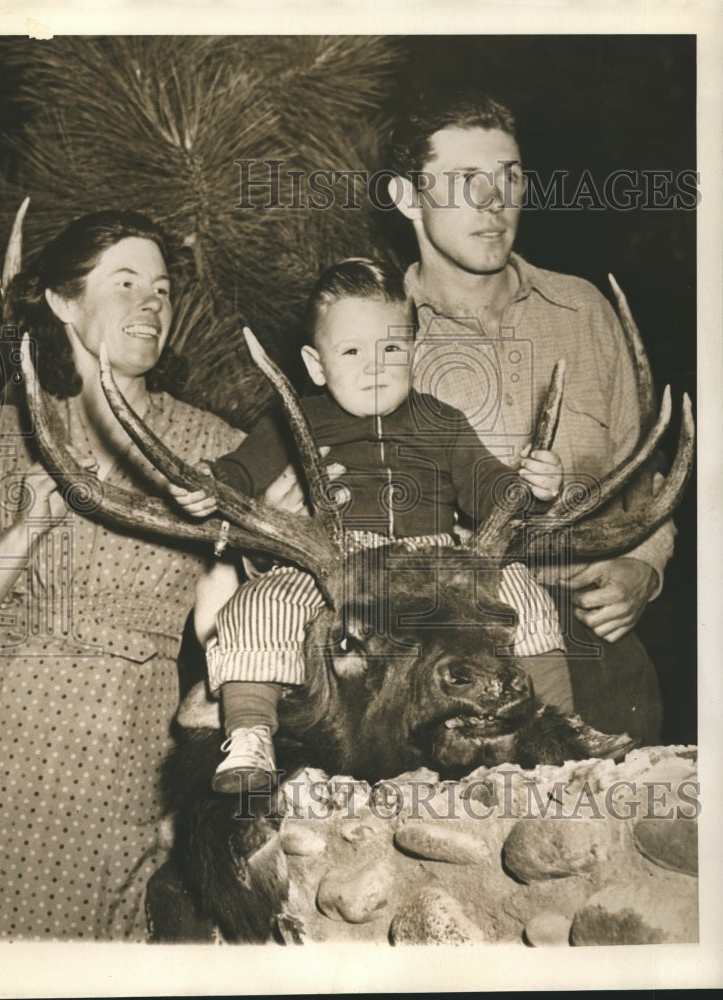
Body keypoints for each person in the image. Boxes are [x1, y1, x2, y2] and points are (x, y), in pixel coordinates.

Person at [173, 258, 566, 793]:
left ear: (414, 352)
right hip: (339, 563)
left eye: (391, 349)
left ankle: (559, 725)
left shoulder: (442, 419)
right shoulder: (296, 419)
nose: (374, 365)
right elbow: (239, 473)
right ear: (316, 365)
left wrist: (533, 486)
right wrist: (208, 484)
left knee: (524, 591)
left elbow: (489, 488)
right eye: (352, 351)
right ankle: (248, 736)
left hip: (437, 563)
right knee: (258, 605)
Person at [385, 87, 674, 741]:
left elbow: (643, 472)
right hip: (450, 655)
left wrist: (643, 567)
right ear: (407, 197)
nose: (494, 203)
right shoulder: (376, 340)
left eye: (507, 177)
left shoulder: (582, 311)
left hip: (598, 643)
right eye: (464, 180)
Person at [0, 210, 244, 940]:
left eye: (162, 291)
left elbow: (223, 624)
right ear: (64, 302)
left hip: (121, 750)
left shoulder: (215, 449)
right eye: (124, 283)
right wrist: (28, 524)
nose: (150, 305)